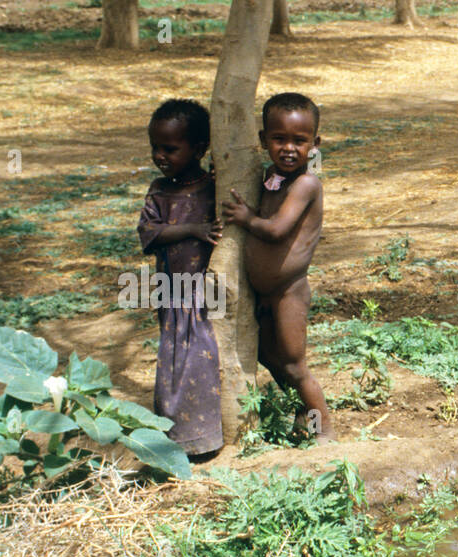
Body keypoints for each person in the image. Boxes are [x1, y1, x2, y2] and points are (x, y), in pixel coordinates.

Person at [221, 92, 333, 441]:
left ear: (315, 145)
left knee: (295, 365)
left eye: (299, 141)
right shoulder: (271, 177)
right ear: (263, 140)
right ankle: (303, 411)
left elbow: (276, 229)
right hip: (264, 294)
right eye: (279, 139)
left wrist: (246, 217)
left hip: (289, 292)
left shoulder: (306, 184)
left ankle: (324, 431)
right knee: (270, 357)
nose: (288, 148)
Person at [137, 98, 225, 458]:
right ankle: (179, 438)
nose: (160, 155)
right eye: (155, 147)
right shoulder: (159, 190)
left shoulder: (213, 188)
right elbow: (149, 233)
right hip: (172, 294)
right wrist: (194, 229)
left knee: (201, 360)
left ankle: (204, 436)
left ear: (200, 149)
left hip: (204, 295)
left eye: (170, 148)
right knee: (174, 363)